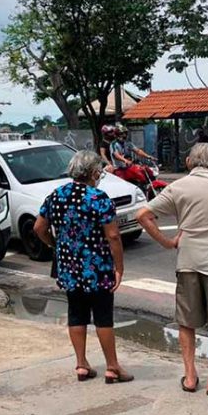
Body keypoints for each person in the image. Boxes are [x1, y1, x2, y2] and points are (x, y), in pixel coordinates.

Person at [136, 143, 208, 396]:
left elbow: (143, 215)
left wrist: (168, 242)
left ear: (188, 162)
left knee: (187, 321)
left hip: (188, 262)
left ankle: (190, 376)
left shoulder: (177, 187)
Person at [33, 150, 134, 384]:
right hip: (97, 266)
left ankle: (81, 364)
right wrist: (119, 267)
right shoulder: (98, 198)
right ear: (94, 173)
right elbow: (113, 236)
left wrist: (55, 245)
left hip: (68, 266)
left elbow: (39, 227)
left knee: (76, 313)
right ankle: (112, 367)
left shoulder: (56, 195)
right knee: (103, 316)